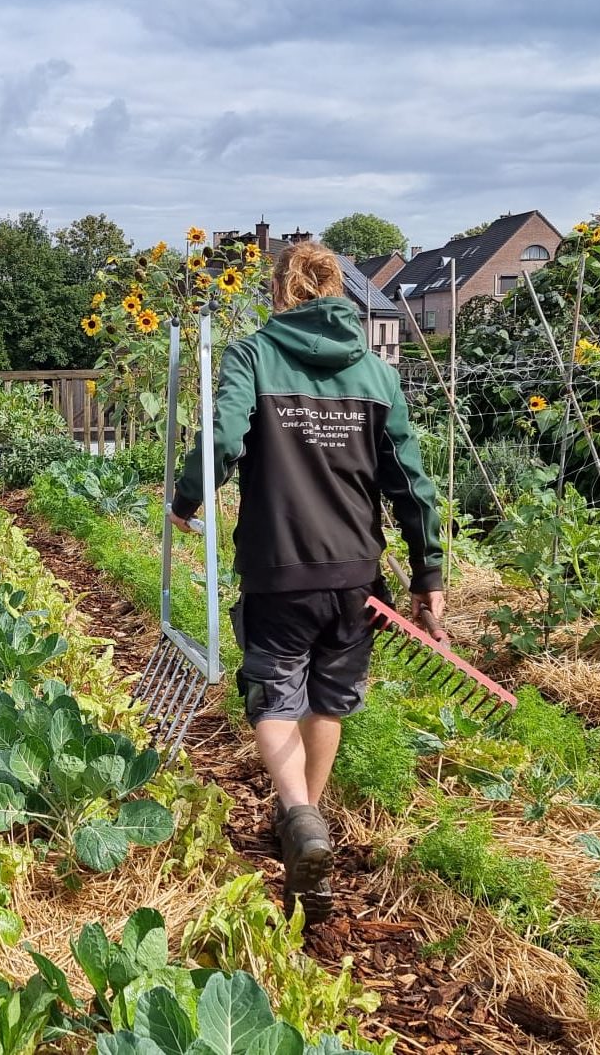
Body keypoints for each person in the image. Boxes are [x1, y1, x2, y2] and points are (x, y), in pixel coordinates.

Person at [168, 241, 443, 925]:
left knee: (274, 691)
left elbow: (223, 439)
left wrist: (186, 499)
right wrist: (428, 571)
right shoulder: (378, 374)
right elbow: (409, 481)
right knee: (328, 697)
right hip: (355, 573)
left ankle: (299, 815)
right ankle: (306, 827)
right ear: (340, 293)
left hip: (278, 567)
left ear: (280, 292)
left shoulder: (255, 355)